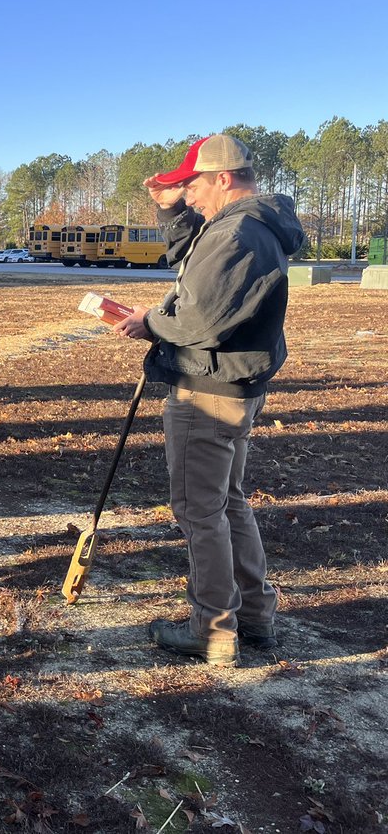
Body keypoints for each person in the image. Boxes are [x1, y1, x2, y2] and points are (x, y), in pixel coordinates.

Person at [114, 134, 306, 667]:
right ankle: (254, 616)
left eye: (193, 185)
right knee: (228, 503)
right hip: (233, 386)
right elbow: (190, 262)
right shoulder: (245, 226)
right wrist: (170, 207)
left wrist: (147, 322)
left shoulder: (239, 232)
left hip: (207, 392)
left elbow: (200, 320)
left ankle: (214, 629)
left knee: (199, 511)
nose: (189, 195)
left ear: (224, 177)